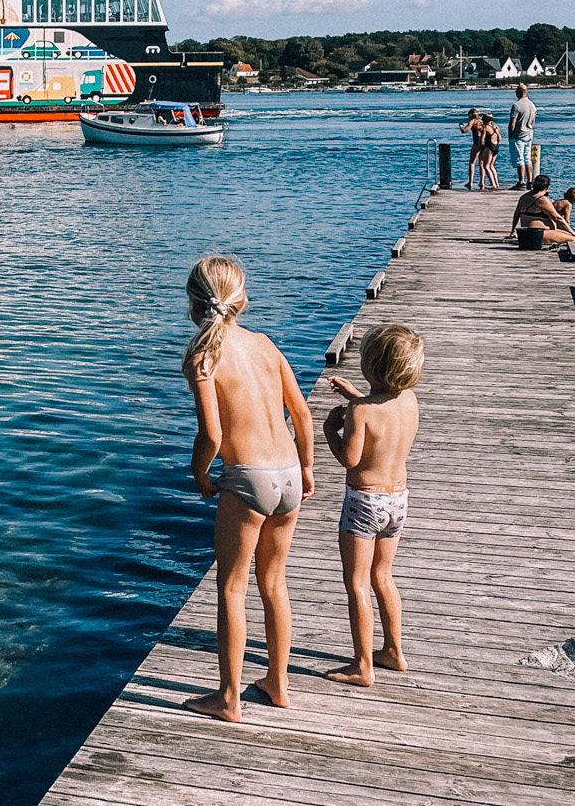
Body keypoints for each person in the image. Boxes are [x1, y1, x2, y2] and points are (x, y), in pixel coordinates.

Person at [180, 254, 316, 723]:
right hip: (289, 476)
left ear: (195, 305)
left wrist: (200, 475)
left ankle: (229, 698)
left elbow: (212, 436)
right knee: (274, 583)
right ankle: (277, 684)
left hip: (249, 478)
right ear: (242, 300)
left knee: (232, 588)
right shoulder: (264, 343)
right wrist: (308, 468)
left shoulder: (203, 356)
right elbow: (301, 414)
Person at [323, 325, 424, 686]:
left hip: (365, 502)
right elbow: (383, 407)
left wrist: (330, 430)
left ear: (370, 367)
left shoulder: (360, 413)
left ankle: (362, 666)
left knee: (356, 583)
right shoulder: (409, 399)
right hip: (398, 499)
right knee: (383, 577)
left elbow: (350, 460)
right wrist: (355, 396)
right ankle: (394, 651)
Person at [509, 174, 575, 253]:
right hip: (538, 234)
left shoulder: (523, 197)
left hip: (524, 234)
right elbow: (558, 218)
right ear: (547, 187)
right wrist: (574, 233)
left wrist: (513, 231)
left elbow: (516, 215)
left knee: (566, 234)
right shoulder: (542, 199)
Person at [507, 83, 536, 187]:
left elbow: (512, 122)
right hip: (529, 133)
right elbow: (533, 121)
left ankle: (521, 181)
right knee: (527, 157)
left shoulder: (516, 105)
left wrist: (510, 134)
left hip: (518, 135)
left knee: (519, 159)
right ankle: (530, 180)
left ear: (518, 92)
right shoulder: (532, 105)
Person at [458, 109, 485, 190]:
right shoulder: (481, 121)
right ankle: (482, 182)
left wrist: (461, 126)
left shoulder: (473, 121)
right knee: (481, 163)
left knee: (472, 162)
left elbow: (464, 131)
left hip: (477, 143)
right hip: (483, 144)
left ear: (470, 115)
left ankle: (470, 182)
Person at [479, 113, 502, 190]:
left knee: (486, 166)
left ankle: (493, 184)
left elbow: (482, 139)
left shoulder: (485, 127)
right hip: (496, 146)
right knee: (492, 166)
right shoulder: (496, 127)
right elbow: (500, 138)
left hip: (489, 146)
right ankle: (496, 183)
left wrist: (481, 146)